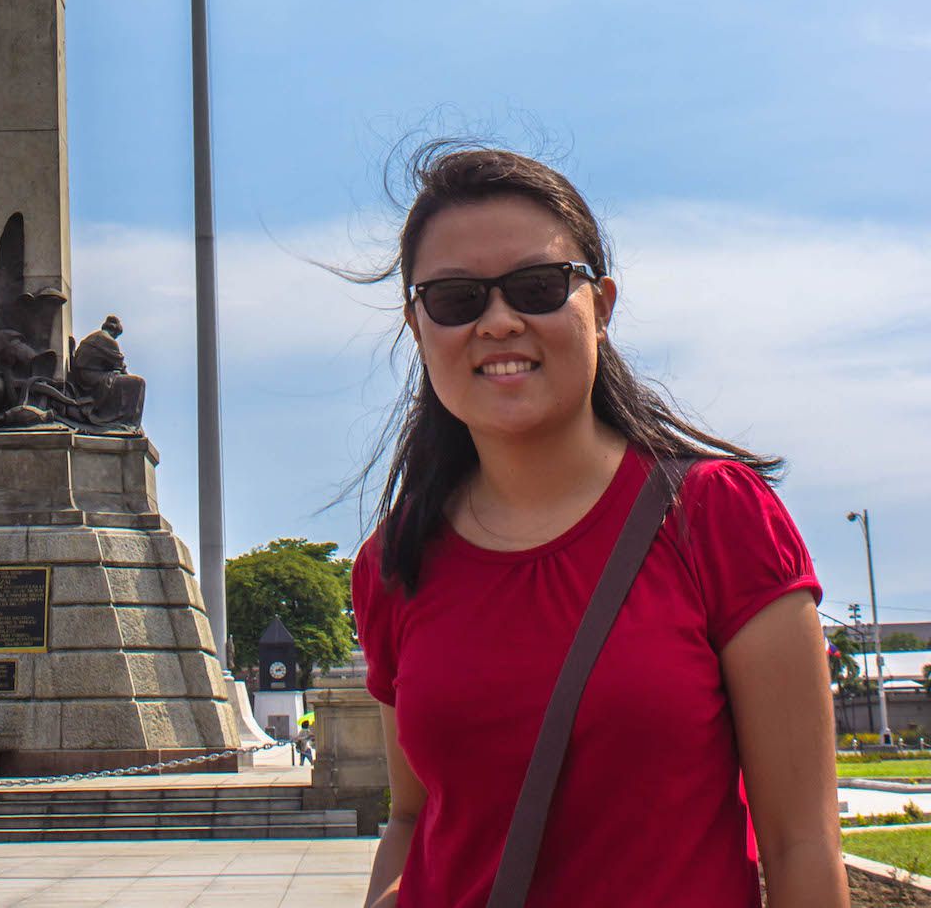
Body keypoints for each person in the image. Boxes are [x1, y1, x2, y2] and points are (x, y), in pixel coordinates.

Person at [352, 145, 846, 908]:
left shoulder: (716, 518)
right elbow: (414, 819)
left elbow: (801, 845)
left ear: (601, 308)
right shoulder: (395, 562)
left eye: (538, 286)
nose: (500, 321)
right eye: (455, 299)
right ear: (419, 329)